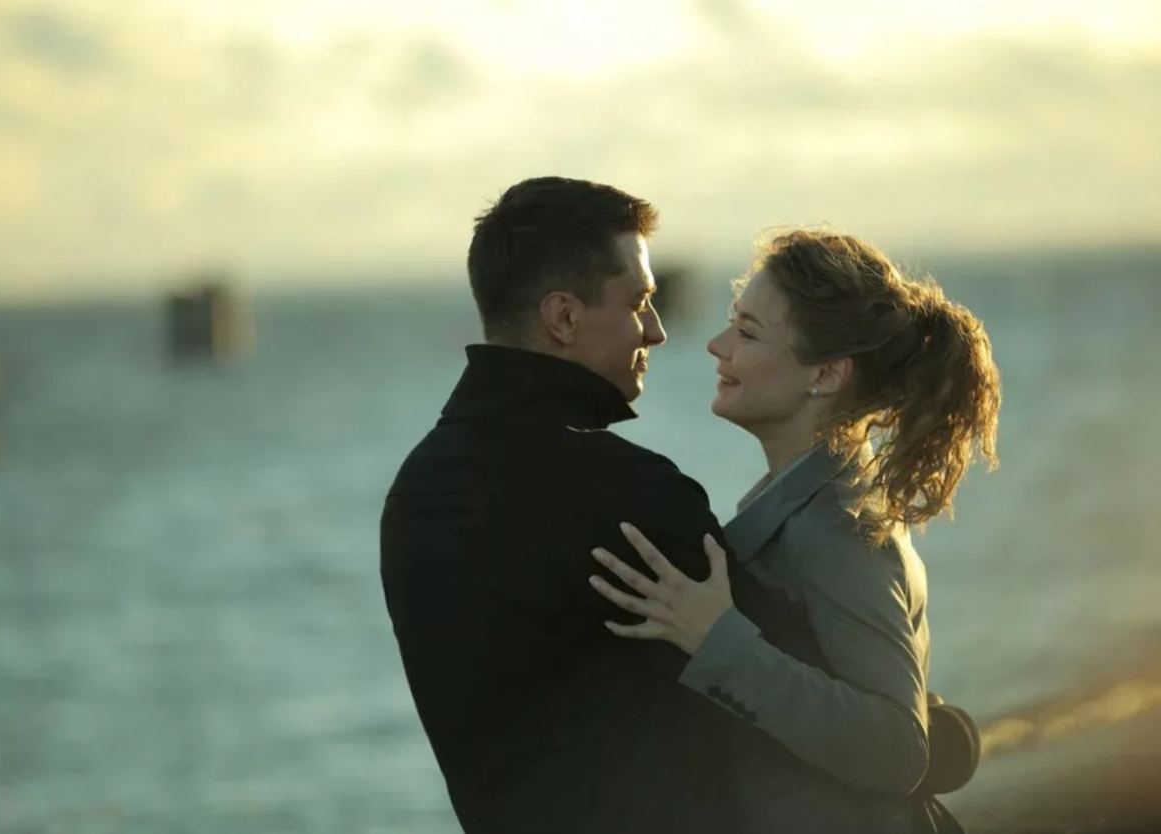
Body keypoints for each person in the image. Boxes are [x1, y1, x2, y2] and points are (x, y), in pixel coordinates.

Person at [381, 177, 825, 834]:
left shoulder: (415, 491)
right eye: (639, 303)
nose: (658, 331)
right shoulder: (625, 493)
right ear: (563, 317)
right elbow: (813, 692)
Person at [587, 229, 1000, 833]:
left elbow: (899, 748)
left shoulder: (839, 526)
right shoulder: (809, 498)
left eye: (748, 332)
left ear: (826, 374)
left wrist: (716, 639)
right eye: (732, 322)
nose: (717, 345)